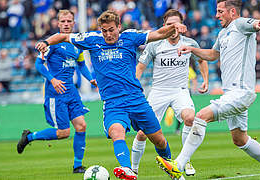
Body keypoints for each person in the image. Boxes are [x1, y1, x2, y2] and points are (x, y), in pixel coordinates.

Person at [35, 10, 187, 180]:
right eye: (104, 30)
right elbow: (63, 37)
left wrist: (174, 27)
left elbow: (159, 33)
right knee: (116, 131)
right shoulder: (92, 39)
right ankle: (127, 170)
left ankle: (173, 171)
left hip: (136, 99)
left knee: (159, 140)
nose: (108, 34)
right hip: (113, 103)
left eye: (111, 30)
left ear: (119, 27)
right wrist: (45, 42)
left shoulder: (130, 37)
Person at [155, 1, 260, 180]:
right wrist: (192, 49)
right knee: (240, 139)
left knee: (200, 116)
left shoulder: (240, 24)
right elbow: (212, 55)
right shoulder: (224, 33)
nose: (216, 15)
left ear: (232, 12)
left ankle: (178, 165)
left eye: (220, 11)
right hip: (231, 94)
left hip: (240, 92)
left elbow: (257, 24)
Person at [17, 10, 97, 174]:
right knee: (63, 133)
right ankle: (29, 137)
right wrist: (52, 79)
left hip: (72, 92)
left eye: (69, 21)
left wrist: (90, 79)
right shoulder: (51, 43)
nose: (66, 24)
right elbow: (39, 65)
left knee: (81, 126)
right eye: (63, 21)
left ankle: (77, 166)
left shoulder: (76, 43)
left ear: (73, 23)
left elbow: (81, 65)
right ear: (58, 23)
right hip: (56, 93)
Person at [131, 9, 209, 177]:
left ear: (182, 26)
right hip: (158, 91)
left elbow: (201, 60)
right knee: (143, 133)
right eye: (169, 25)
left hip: (180, 90)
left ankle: (184, 161)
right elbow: (140, 67)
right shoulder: (154, 44)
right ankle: (133, 170)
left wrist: (205, 80)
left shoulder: (190, 43)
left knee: (190, 118)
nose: (173, 28)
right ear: (164, 26)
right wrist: (133, 85)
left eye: (176, 24)